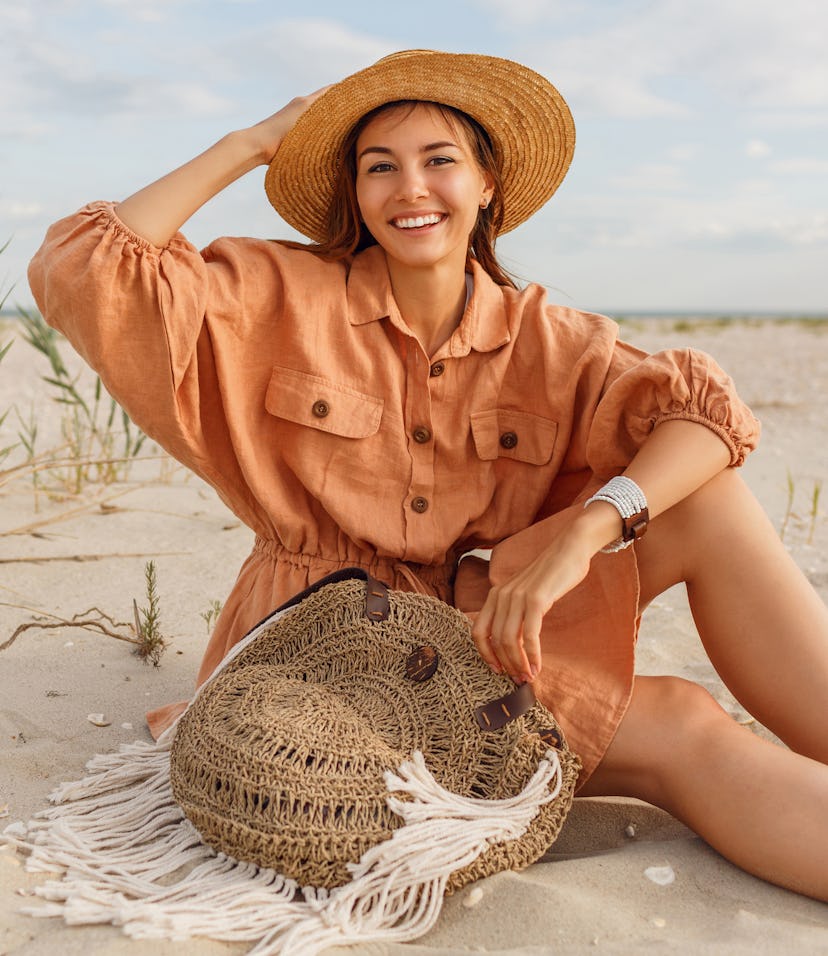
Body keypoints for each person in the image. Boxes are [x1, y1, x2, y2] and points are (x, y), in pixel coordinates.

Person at [28, 50, 828, 902]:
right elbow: (82, 264)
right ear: (357, 195)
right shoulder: (277, 294)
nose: (411, 188)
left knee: (703, 501)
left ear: (487, 184)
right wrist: (254, 141)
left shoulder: (546, 336)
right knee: (679, 723)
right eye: (381, 167)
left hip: (477, 630)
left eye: (439, 160)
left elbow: (707, 417)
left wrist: (589, 531)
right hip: (329, 656)